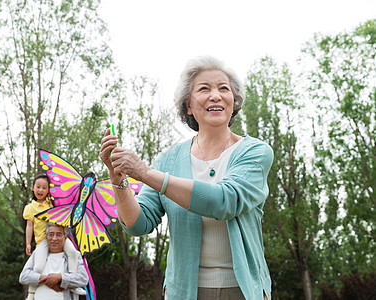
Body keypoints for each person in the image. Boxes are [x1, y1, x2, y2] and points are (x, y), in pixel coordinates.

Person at [100, 56, 273, 300]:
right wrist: (118, 179)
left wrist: (145, 173)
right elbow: (138, 225)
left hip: (244, 290)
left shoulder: (255, 152)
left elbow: (225, 202)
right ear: (189, 106)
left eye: (224, 89)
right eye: (204, 89)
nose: (216, 95)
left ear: (233, 103)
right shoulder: (168, 161)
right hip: (184, 292)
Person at [23, 174, 86, 299]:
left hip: (58, 236)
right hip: (43, 240)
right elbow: (29, 226)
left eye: (44, 188)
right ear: (32, 188)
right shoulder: (30, 208)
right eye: (38, 187)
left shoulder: (51, 204)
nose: (40, 190)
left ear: (48, 190)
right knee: (38, 265)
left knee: (73, 252)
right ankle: (31, 293)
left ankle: (73, 285)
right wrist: (28, 243)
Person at [20, 223, 89, 300]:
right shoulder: (38, 254)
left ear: (65, 237)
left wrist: (60, 278)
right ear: (46, 237)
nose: (54, 238)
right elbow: (24, 276)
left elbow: (83, 279)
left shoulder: (75, 256)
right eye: (51, 234)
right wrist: (46, 279)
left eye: (59, 235)